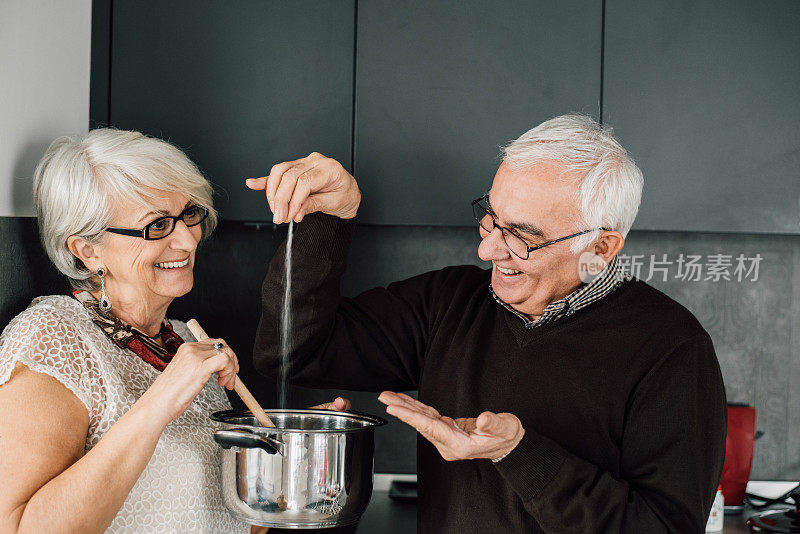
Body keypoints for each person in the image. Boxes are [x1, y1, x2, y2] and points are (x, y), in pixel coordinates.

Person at [247, 115, 727, 533]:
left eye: (521, 236)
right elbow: (293, 351)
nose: (488, 250)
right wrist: (329, 219)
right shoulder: (450, 303)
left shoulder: (671, 349)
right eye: (491, 219)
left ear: (600, 249)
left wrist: (518, 452)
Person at [0, 129, 251, 533]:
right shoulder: (53, 338)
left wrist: (285, 447)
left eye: (189, 213)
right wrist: (161, 400)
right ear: (88, 249)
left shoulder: (183, 342)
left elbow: (215, 519)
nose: (187, 240)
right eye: (157, 225)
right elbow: (19, 528)